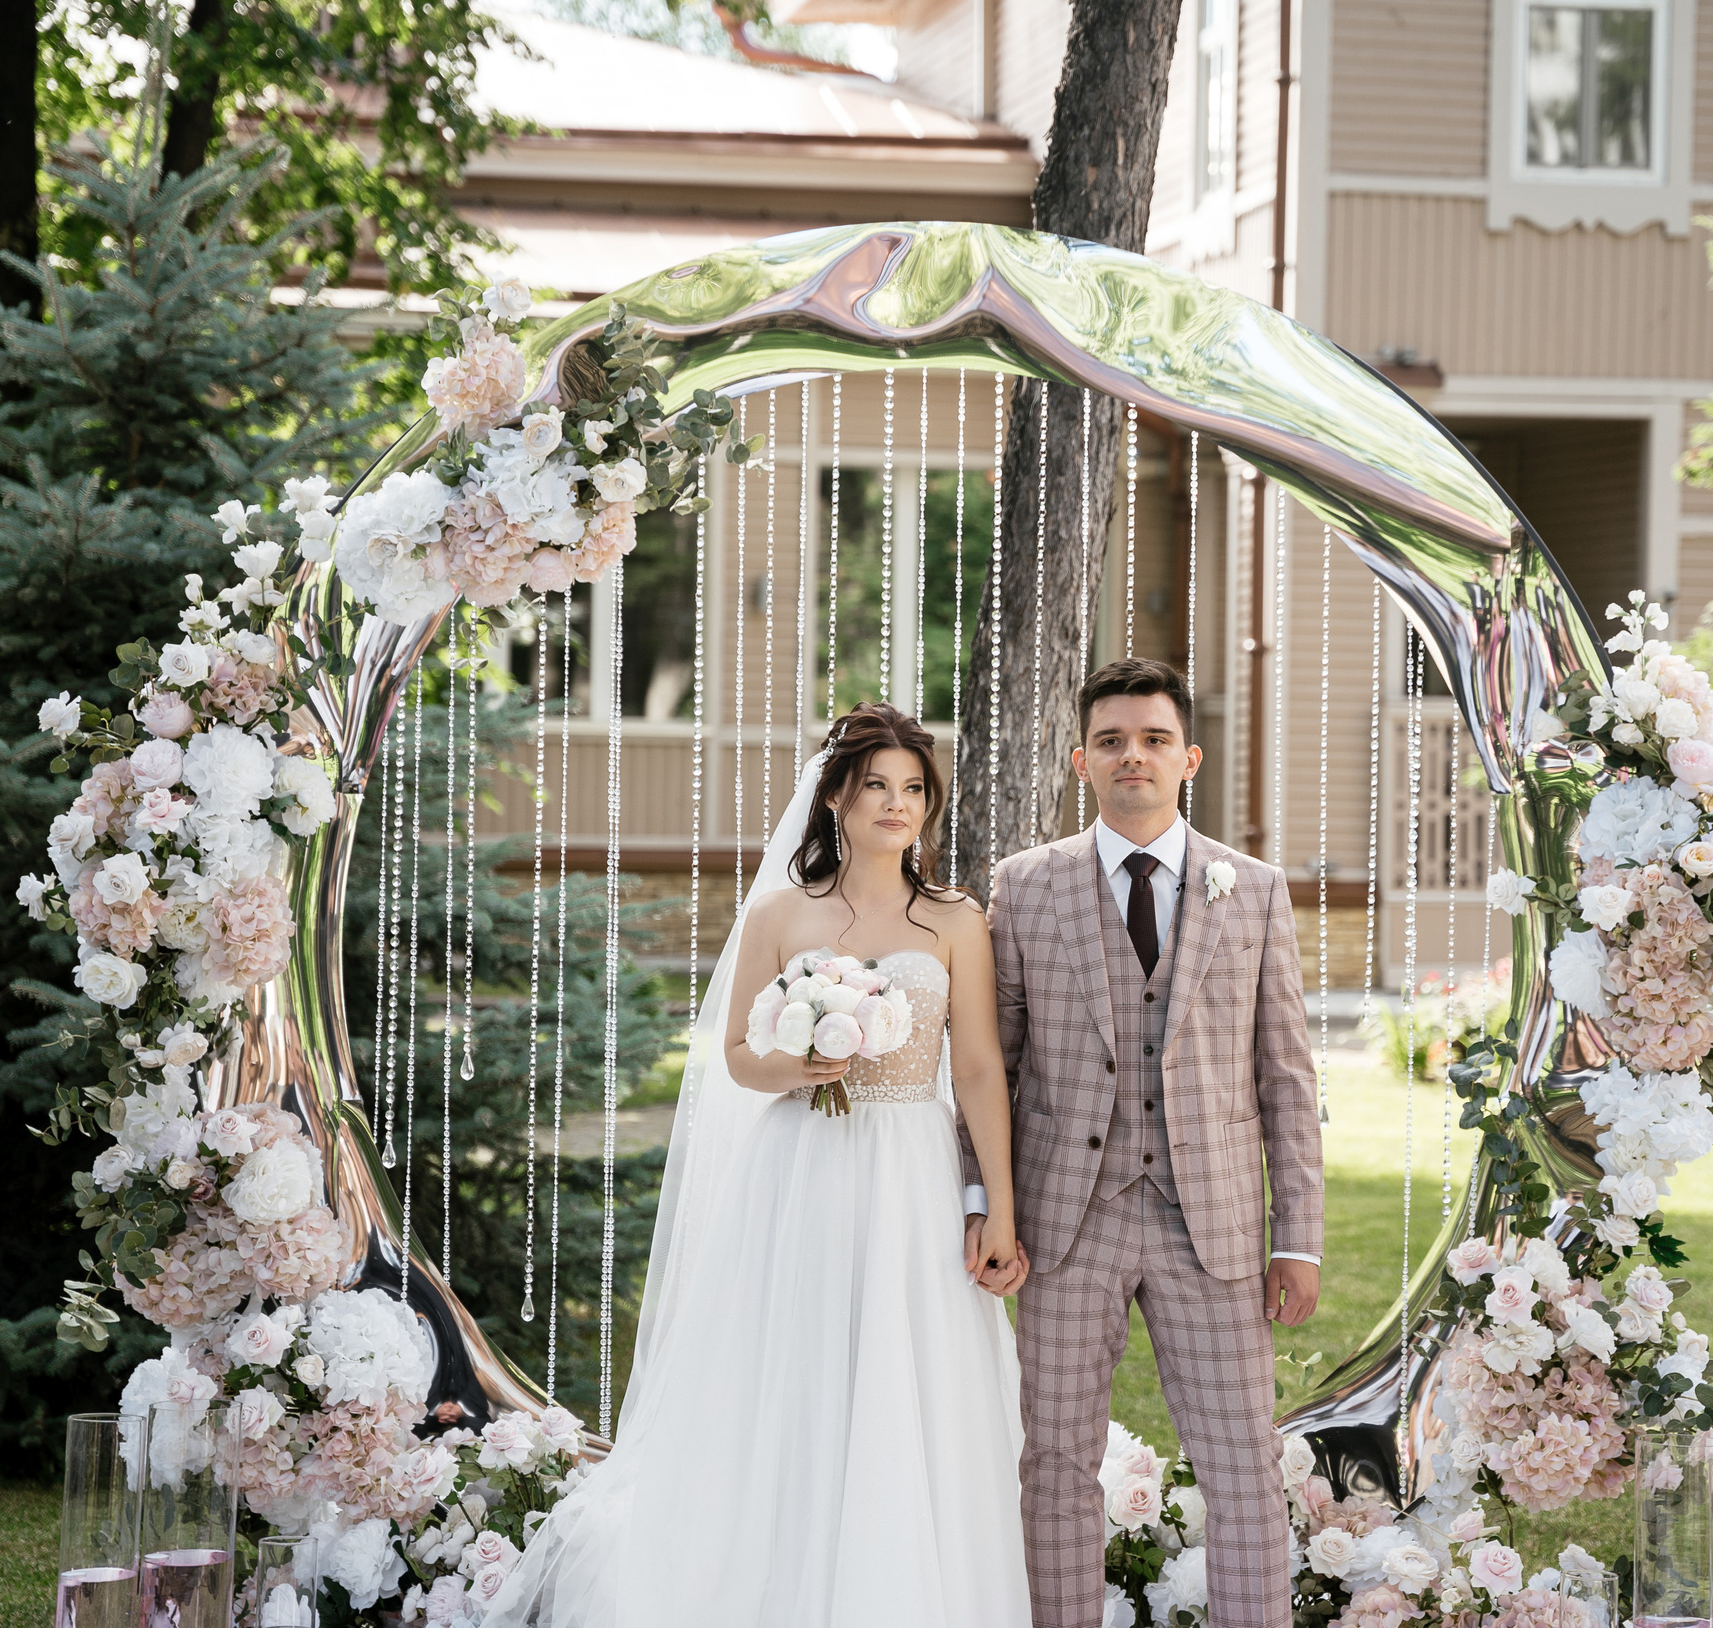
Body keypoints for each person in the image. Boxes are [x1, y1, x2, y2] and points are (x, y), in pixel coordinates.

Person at [482, 702, 1030, 1626]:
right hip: (802, 1163)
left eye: (913, 790)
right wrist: (800, 1064)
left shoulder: (955, 921)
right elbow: (736, 1053)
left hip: (910, 1168)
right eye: (876, 787)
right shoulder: (782, 913)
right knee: (797, 1363)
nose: (896, 806)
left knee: (908, 1368)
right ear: (836, 799)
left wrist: (1000, 1209)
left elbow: (976, 1066)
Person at [966, 656, 1325, 1628]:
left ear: (1188, 758)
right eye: (1114, 741)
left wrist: (1297, 1236)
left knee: (1242, 1457)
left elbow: (1286, 1075)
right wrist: (980, 1202)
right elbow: (989, 1066)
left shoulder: (1249, 890)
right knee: (1054, 1463)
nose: (1135, 756)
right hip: (1060, 1222)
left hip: (1206, 1220)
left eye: (1155, 739)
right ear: (1082, 760)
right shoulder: (1024, 886)